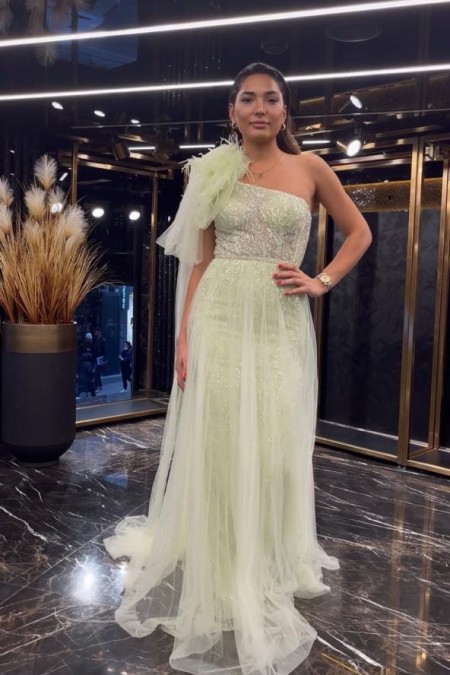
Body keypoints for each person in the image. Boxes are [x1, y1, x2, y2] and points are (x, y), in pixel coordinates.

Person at [104, 62, 372, 675]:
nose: (259, 108)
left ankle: (266, 553)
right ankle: (223, 561)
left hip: (279, 322)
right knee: (222, 441)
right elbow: (200, 261)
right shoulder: (210, 171)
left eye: (270, 99)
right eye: (248, 99)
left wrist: (322, 280)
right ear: (232, 111)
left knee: (274, 447)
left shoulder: (311, 168)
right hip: (219, 317)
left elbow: (358, 233)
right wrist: (183, 337)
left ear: (284, 110)